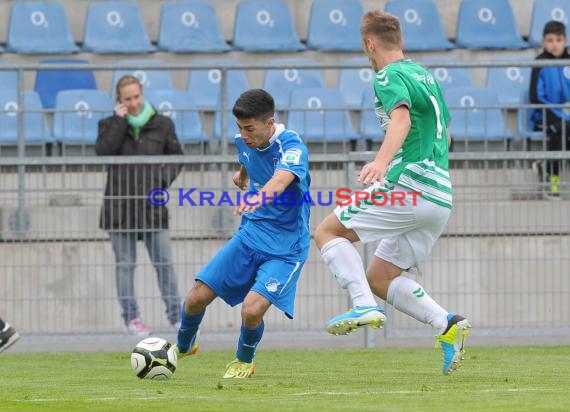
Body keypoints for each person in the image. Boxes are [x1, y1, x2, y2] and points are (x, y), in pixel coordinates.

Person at [314, 10, 471, 376]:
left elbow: (400, 119)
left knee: (327, 231)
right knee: (381, 276)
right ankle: (446, 324)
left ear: (370, 43)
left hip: (410, 185)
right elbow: (445, 133)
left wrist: (383, 162)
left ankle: (362, 305)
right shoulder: (426, 77)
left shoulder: (388, 76)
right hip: (439, 194)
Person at [174, 89, 311, 379]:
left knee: (250, 310)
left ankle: (244, 361)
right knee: (196, 296)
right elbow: (247, 156)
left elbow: (281, 179)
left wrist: (256, 198)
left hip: (286, 249)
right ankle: (183, 347)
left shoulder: (292, 146)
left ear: (270, 123)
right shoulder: (244, 141)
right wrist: (243, 176)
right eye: (240, 128)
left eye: (250, 128)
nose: (244, 135)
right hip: (250, 236)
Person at [96, 75, 183, 336]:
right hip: (119, 209)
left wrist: (160, 181)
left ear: (142, 95)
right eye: (127, 99)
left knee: (164, 264)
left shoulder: (163, 124)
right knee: (125, 266)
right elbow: (103, 152)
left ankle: (177, 317)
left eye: (136, 97)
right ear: (119, 101)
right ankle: (131, 318)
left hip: (152, 208)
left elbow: (177, 158)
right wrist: (120, 123)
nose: (133, 103)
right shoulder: (109, 124)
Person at [530, 20, 570, 196]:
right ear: (543, 42)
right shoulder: (539, 63)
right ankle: (552, 178)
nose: (555, 44)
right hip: (545, 113)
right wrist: (554, 110)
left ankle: (544, 165)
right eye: (550, 40)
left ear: (565, 41)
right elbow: (535, 95)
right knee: (559, 128)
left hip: (567, 113)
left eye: (558, 40)